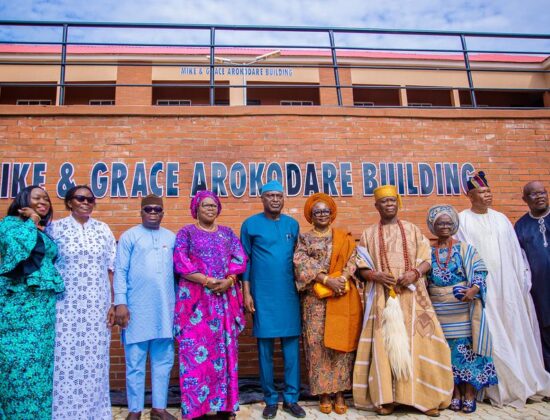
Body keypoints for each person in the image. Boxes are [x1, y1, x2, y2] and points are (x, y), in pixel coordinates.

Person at [353, 184, 453, 417]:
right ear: (376, 206)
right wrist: (375, 275)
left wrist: (415, 273)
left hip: (414, 297)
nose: (389, 205)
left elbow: (426, 258)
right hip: (382, 298)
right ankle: (387, 398)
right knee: (384, 345)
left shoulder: (412, 229)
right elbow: (360, 267)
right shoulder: (368, 234)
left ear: (398, 203)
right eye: (383, 202)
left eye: (392, 201)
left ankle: (426, 398)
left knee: (423, 342)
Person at [456, 172, 550, 407]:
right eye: (482, 192)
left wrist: (521, 282)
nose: (487, 196)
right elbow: (464, 255)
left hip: (508, 288)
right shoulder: (462, 220)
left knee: (514, 330)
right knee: (491, 333)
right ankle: (494, 386)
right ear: (470, 195)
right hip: (483, 290)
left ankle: (523, 380)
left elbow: (516, 255)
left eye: (489, 192)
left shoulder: (502, 219)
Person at [173, 190, 247, 420]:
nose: (210, 208)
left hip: (223, 302)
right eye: (205, 205)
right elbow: (180, 261)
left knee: (225, 353)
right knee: (196, 355)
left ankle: (225, 408)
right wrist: (206, 280)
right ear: (196, 208)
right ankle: (197, 409)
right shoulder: (187, 233)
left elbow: (240, 258)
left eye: (214, 205)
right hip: (197, 304)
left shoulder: (227, 233)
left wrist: (230, 280)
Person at [47, 185, 116, 420]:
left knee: (95, 360)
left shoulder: (103, 230)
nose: (86, 202)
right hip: (65, 306)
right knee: (64, 360)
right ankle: (64, 414)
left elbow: (111, 270)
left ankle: (94, 413)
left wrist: (113, 304)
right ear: (69, 203)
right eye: (80, 198)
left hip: (97, 306)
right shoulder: (55, 229)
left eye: (90, 199)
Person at [240, 180, 306, 419]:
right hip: (262, 296)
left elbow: (301, 261)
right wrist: (246, 293)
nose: (275, 199)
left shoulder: (293, 224)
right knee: (265, 351)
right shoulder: (250, 225)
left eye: (279, 195)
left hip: (288, 295)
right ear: (262, 199)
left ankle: (291, 399)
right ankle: (269, 399)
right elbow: (244, 262)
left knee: (291, 351)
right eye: (270, 196)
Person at [293, 193, 362, 415]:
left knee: (341, 346)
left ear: (331, 214)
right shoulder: (304, 239)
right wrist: (325, 279)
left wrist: (341, 278)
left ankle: (340, 393)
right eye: (317, 212)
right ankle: (323, 393)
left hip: (340, 296)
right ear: (310, 216)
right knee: (317, 346)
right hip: (315, 302)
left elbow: (354, 259)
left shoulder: (343, 237)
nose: (322, 214)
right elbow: (300, 263)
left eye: (325, 211)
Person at [0, 186, 64, 420]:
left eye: (46, 199)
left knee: (39, 364)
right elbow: (17, 253)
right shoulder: (8, 225)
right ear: (23, 201)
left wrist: (36, 224)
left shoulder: (42, 230)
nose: (43, 202)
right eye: (37, 198)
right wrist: (32, 221)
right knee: (16, 363)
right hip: (17, 306)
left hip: (42, 309)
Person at [426, 205, 498, 414]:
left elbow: (480, 271)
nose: (445, 226)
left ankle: (469, 394)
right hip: (440, 311)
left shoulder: (466, 249)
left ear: (454, 225)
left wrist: (473, 289)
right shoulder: (428, 251)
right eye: (440, 223)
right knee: (446, 352)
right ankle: (455, 393)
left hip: (464, 310)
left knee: (468, 351)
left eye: (448, 223)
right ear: (433, 226)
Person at [114, 194, 176, 420]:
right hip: (136, 309)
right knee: (135, 362)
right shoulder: (130, 236)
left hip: (166, 309)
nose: (152, 213)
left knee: (164, 361)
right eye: (148, 209)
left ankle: (159, 409)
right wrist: (120, 302)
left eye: (157, 209)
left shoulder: (172, 238)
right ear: (141, 211)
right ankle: (134, 410)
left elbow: (180, 274)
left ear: (162, 213)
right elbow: (120, 270)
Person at [515, 181, 550, 375]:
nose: (540, 197)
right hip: (540, 289)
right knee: (545, 330)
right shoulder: (521, 226)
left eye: (542, 192)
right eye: (534, 194)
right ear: (525, 200)